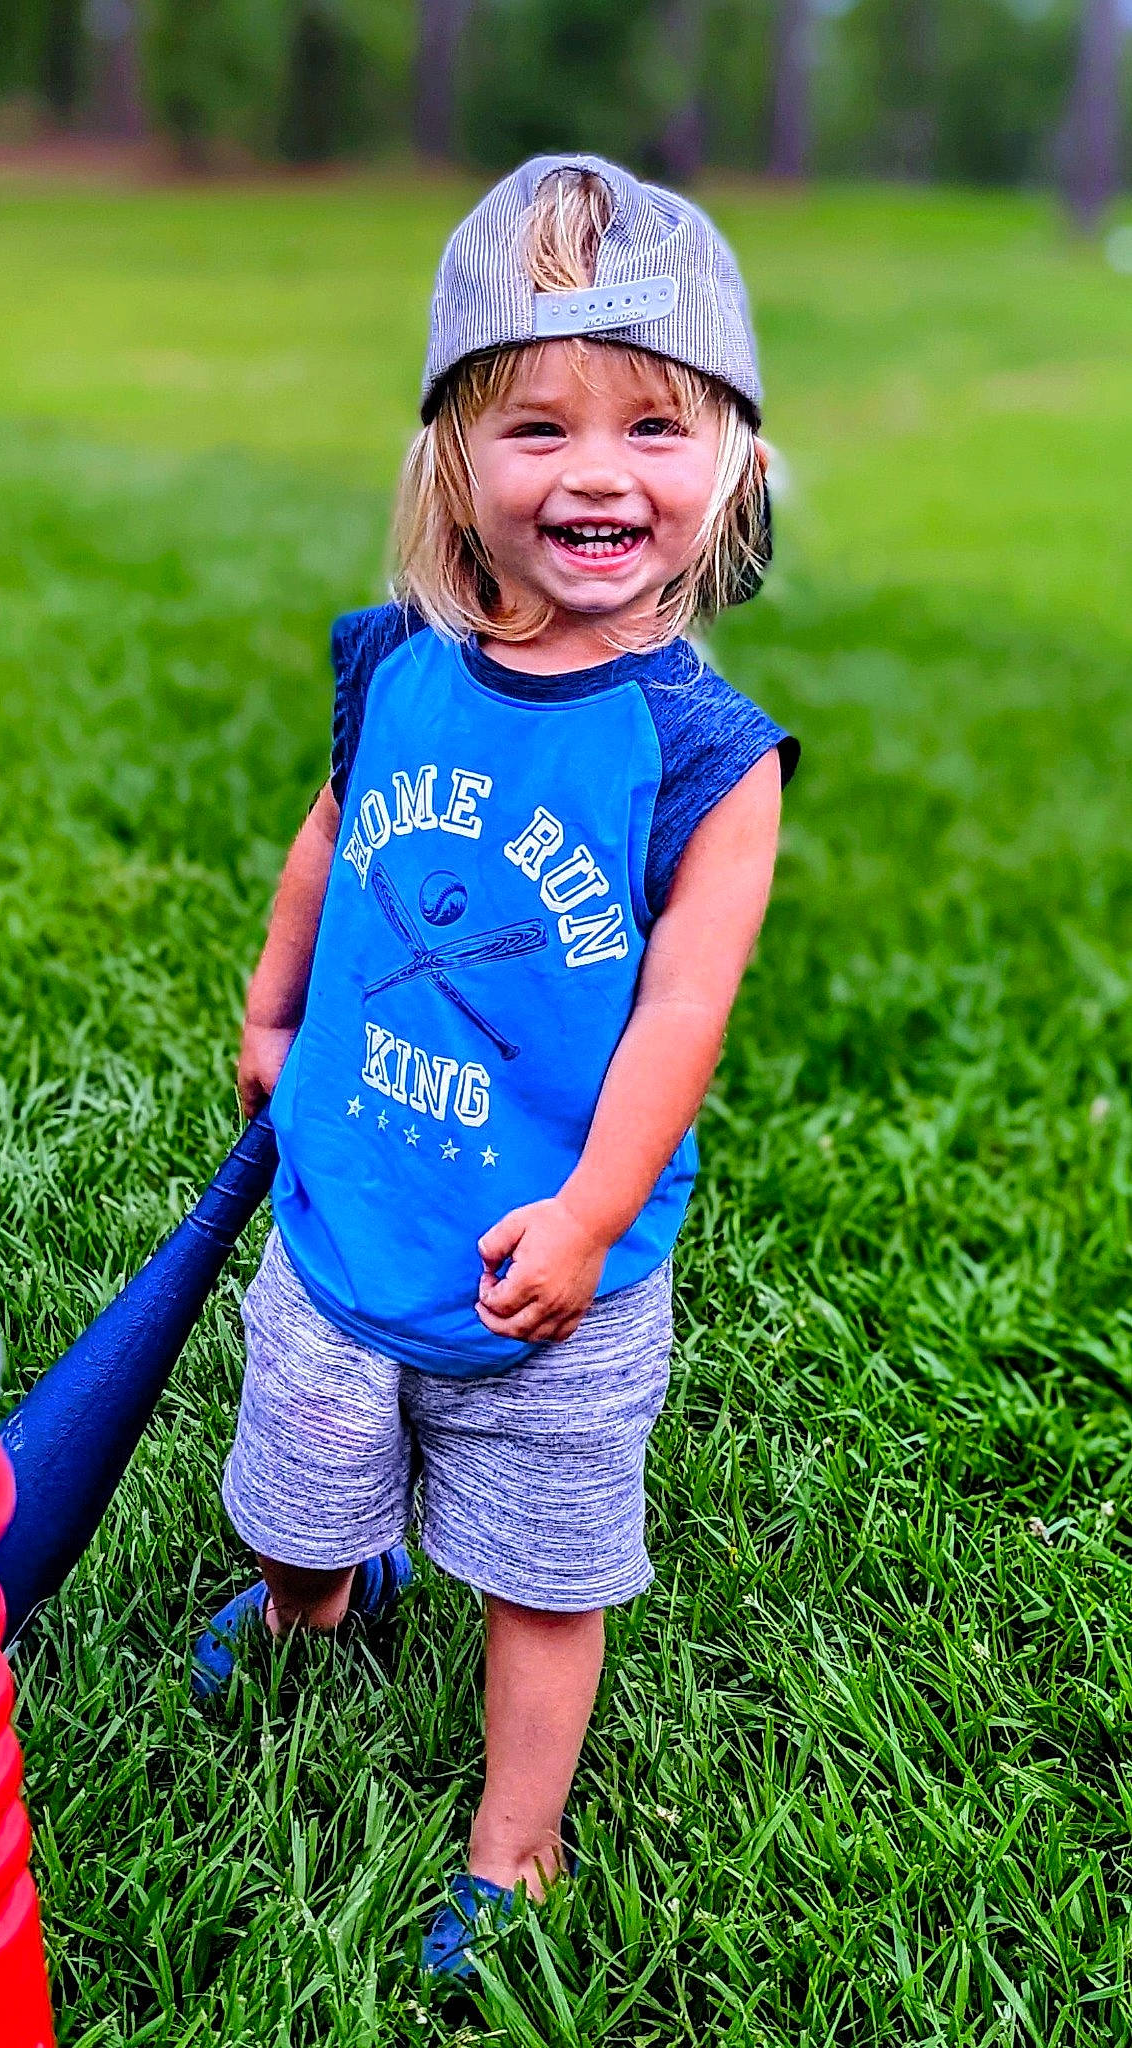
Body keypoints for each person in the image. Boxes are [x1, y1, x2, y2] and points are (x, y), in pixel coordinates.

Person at [192, 154, 799, 1980]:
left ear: (736, 470)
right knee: (298, 1489)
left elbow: (682, 1012)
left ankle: (511, 1850)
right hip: (348, 1202)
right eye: (534, 424)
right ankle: (319, 1596)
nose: (596, 470)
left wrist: (592, 1210)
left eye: (655, 427)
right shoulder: (397, 666)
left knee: (544, 1570)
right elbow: (329, 834)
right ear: (453, 458)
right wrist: (274, 1005)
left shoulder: (705, 756)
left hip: (555, 1263)